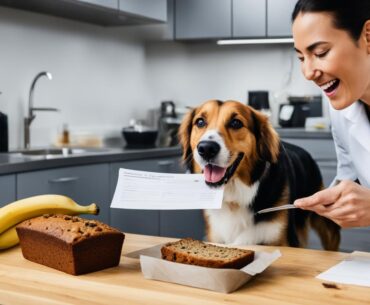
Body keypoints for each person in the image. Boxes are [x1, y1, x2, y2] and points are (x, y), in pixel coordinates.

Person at [291, 0, 370, 228]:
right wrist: (328, 200)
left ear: (367, 36)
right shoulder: (341, 108)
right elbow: (350, 179)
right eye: (301, 58)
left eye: (320, 52)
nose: (308, 72)